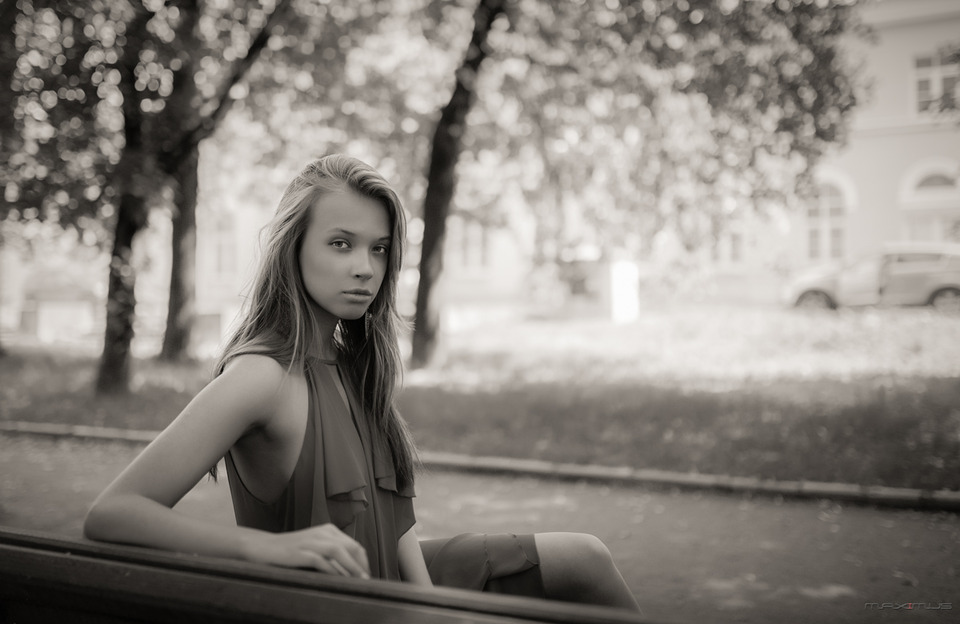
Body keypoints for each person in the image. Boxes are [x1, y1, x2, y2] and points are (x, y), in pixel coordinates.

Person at [84, 155, 640, 612]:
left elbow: (393, 520)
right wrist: (268, 551)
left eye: (378, 248)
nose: (365, 268)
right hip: (327, 602)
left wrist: (428, 609)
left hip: (394, 581)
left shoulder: (356, 366)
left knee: (583, 557)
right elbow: (113, 513)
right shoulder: (261, 375)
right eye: (341, 243)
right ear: (293, 248)